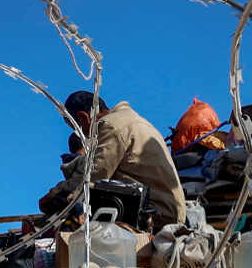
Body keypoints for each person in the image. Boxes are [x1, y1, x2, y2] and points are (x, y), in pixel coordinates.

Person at [40, 91, 186, 227]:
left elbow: (93, 176)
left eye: (77, 127)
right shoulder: (130, 120)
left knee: (74, 204)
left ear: (83, 117)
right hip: (168, 208)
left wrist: (56, 193)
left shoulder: (112, 126)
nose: (83, 135)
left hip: (158, 213)